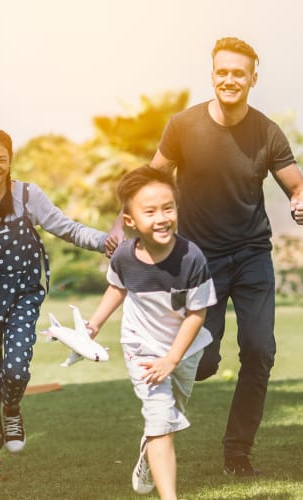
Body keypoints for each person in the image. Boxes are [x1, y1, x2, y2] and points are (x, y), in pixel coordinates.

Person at [145, 37, 303, 476]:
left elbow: (296, 183)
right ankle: (165, 388)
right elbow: (153, 176)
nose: (230, 79)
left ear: (253, 78)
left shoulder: (267, 131)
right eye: (222, 72)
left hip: (252, 254)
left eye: (239, 73)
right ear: (212, 75)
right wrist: (135, 224)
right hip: (199, 263)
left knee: (259, 350)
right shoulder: (183, 126)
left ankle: (238, 452)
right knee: (201, 361)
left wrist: (299, 199)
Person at [0, 128, 110, 488]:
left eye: (1, 160)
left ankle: (12, 409)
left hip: (24, 295)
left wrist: (105, 241)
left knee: (14, 369)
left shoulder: (28, 194)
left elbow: (66, 227)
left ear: (10, 160)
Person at [88, 166, 217, 499]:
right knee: (161, 419)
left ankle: (149, 452)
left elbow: (196, 313)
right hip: (141, 347)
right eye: (150, 211)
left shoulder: (192, 258)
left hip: (183, 350)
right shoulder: (124, 257)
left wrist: (173, 358)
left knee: (171, 418)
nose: (162, 218)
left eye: (168, 208)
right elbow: (117, 289)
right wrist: (95, 323)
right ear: (130, 220)